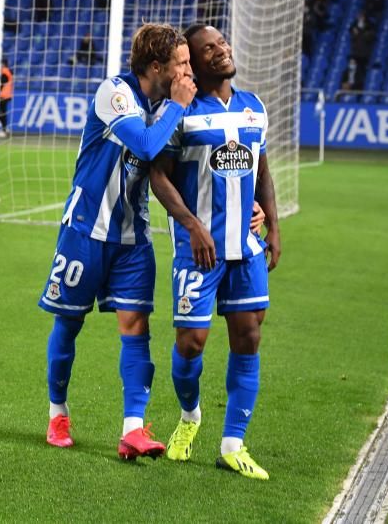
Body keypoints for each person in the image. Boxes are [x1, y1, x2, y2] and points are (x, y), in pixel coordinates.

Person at [39, 24, 197, 458]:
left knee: (137, 328)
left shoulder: (168, 104)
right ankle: (58, 413)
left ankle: (133, 428)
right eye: (181, 63)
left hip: (133, 238)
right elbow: (145, 146)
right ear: (156, 67)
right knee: (69, 323)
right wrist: (178, 107)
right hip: (86, 230)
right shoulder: (116, 92)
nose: (189, 71)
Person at [149, 24, 279, 481]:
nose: (222, 51)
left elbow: (261, 170)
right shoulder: (180, 112)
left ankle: (232, 444)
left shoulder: (253, 107)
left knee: (249, 338)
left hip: (245, 248)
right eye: (210, 49)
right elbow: (158, 176)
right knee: (191, 343)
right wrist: (191, 225)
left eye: (222, 43)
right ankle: (189, 417)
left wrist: (274, 227)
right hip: (197, 250)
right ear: (196, 64)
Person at [0, 59, 13, 138]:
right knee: (2, 113)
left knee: (1, 113)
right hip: (7, 95)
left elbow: (1, 84)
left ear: (3, 64)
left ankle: (4, 130)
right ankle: (5, 129)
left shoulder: (4, 72)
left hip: (3, 95)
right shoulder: (9, 71)